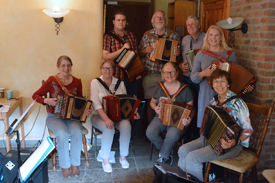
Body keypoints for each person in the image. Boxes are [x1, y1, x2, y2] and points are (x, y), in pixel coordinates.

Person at [178, 69, 253, 182]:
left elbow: (248, 130)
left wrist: (235, 141)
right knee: (182, 150)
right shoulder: (214, 100)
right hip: (211, 139)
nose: (219, 84)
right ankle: (183, 180)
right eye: (216, 82)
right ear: (212, 85)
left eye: (222, 81)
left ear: (228, 83)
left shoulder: (238, 103)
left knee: (192, 158)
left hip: (231, 145)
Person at [32, 55, 92, 178]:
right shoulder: (51, 80)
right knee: (62, 134)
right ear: (58, 67)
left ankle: (74, 164)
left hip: (72, 118)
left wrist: (86, 110)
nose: (66, 68)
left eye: (68, 65)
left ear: (71, 66)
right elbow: (35, 95)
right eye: (63, 65)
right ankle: (65, 166)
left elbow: (80, 101)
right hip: (54, 117)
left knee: (77, 131)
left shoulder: (77, 82)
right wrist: (46, 100)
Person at [90, 59, 140, 173]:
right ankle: (105, 159)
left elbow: (125, 102)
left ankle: (123, 157)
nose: (107, 71)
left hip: (117, 117)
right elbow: (96, 104)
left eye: (110, 68)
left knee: (127, 124)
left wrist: (133, 114)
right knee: (109, 127)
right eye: (104, 68)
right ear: (101, 69)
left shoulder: (119, 83)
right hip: (98, 116)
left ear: (114, 70)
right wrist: (106, 119)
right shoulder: (95, 82)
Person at [190, 25, 238, 130]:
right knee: (206, 128)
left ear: (221, 37)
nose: (213, 38)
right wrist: (204, 73)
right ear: (207, 37)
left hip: (224, 96)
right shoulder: (201, 54)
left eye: (216, 35)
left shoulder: (230, 53)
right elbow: (193, 77)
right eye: (211, 35)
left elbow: (235, 76)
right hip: (206, 95)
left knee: (222, 128)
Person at [138, 10, 181, 126]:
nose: (160, 19)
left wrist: (178, 53)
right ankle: (151, 129)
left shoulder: (173, 35)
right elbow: (139, 53)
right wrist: (145, 50)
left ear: (166, 20)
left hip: (168, 76)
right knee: (150, 102)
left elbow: (179, 57)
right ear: (153, 21)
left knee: (168, 102)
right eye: (157, 17)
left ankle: (165, 127)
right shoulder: (147, 35)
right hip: (150, 75)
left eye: (162, 17)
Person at [146, 62, 194, 164]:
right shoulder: (159, 87)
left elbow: (191, 108)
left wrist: (188, 120)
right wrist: (155, 108)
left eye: (172, 72)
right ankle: (167, 150)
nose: (169, 75)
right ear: (163, 74)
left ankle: (164, 156)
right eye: (167, 73)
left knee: (173, 134)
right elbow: (152, 102)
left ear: (177, 73)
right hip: (160, 118)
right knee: (150, 132)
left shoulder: (185, 89)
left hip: (178, 121)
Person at [102, 11, 138, 96]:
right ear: (113, 22)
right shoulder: (108, 36)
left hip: (132, 77)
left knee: (132, 104)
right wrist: (122, 50)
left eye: (123, 20)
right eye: (118, 20)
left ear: (126, 22)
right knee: (118, 103)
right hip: (116, 77)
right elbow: (105, 56)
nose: (121, 22)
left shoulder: (132, 36)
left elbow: (136, 56)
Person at [179, 15, 205, 97]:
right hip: (186, 78)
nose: (190, 26)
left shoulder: (207, 38)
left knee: (199, 105)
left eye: (192, 24)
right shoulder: (185, 39)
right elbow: (179, 56)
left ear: (199, 26)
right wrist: (180, 65)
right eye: (188, 24)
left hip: (201, 80)